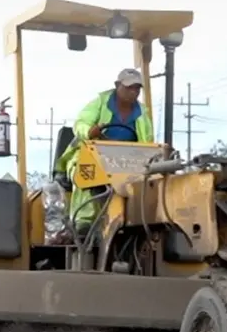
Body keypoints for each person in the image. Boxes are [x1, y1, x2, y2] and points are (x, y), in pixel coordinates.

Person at [56, 68, 155, 236]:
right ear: (117, 85)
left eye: (137, 88)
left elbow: (148, 142)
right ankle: (83, 222)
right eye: (129, 87)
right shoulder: (100, 103)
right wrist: (89, 132)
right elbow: (80, 123)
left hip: (126, 161)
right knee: (86, 172)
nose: (134, 92)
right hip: (93, 153)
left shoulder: (142, 114)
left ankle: (137, 219)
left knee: (150, 179)